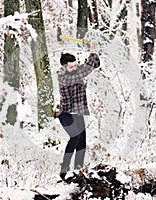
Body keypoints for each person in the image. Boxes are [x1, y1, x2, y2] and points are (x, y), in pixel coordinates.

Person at [57, 52, 100, 180]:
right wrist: (92, 51)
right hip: (65, 114)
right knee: (74, 137)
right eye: (71, 67)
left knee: (81, 143)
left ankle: (77, 172)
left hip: (78, 113)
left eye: (75, 65)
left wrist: (93, 52)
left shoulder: (76, 70)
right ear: (63, 67)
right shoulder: (63, 77)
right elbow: (85, 71)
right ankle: (63, 172)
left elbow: (95, 64)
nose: (74, 68)